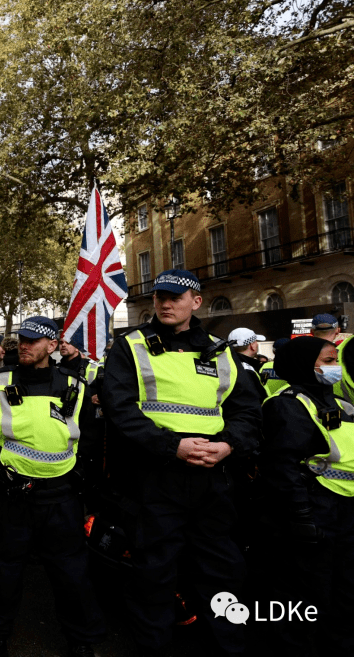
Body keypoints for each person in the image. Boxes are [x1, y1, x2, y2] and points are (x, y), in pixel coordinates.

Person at [100, 270, 262, 656]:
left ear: (196, 301)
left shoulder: (220, 351)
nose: (165, 303)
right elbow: (120, 410)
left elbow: (247, 411)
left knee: (222, 570)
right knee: (154, 574)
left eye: (175, 297)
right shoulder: (130, 346)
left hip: (212, 478)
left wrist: (227, 446)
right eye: (159, 297)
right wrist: (172, 447)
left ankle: (227, 645)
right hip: (156, 478)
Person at [0, 317, 105, 657]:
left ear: (51, 344)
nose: (24, 346)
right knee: (3, 570)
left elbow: (89, 437)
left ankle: (80, 641)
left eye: (32, 340)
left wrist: (77, 479)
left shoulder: (74, 384)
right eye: (21, 340)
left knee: (71, 574)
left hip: (60, 496)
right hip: (13, 495)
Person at [256, 336, 352, 653]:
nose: (335, 367)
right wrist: (301, 517)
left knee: (342, 591)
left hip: (343, 513)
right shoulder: (287, 405)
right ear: (303, 364)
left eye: (336, 360)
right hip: (314, 511)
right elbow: (282, 468)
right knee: (306, 595)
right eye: (327, 361)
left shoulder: (343, 405)